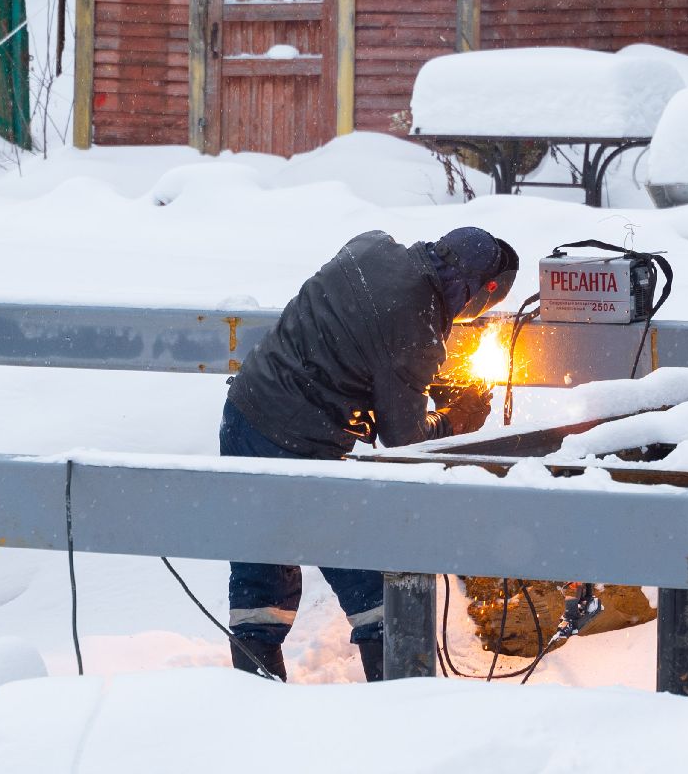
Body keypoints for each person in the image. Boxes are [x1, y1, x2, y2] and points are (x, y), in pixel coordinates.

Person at [219, 226, 518, 683]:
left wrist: (422, 379)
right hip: (298, 446)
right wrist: (459, 417)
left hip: (244, 415)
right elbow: (406, 441)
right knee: (374, 592)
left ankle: (256, 701)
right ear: (479, 292)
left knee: (262, 577)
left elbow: (360, 333)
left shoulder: (372, 244)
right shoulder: (414, 331)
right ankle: (395, 705)